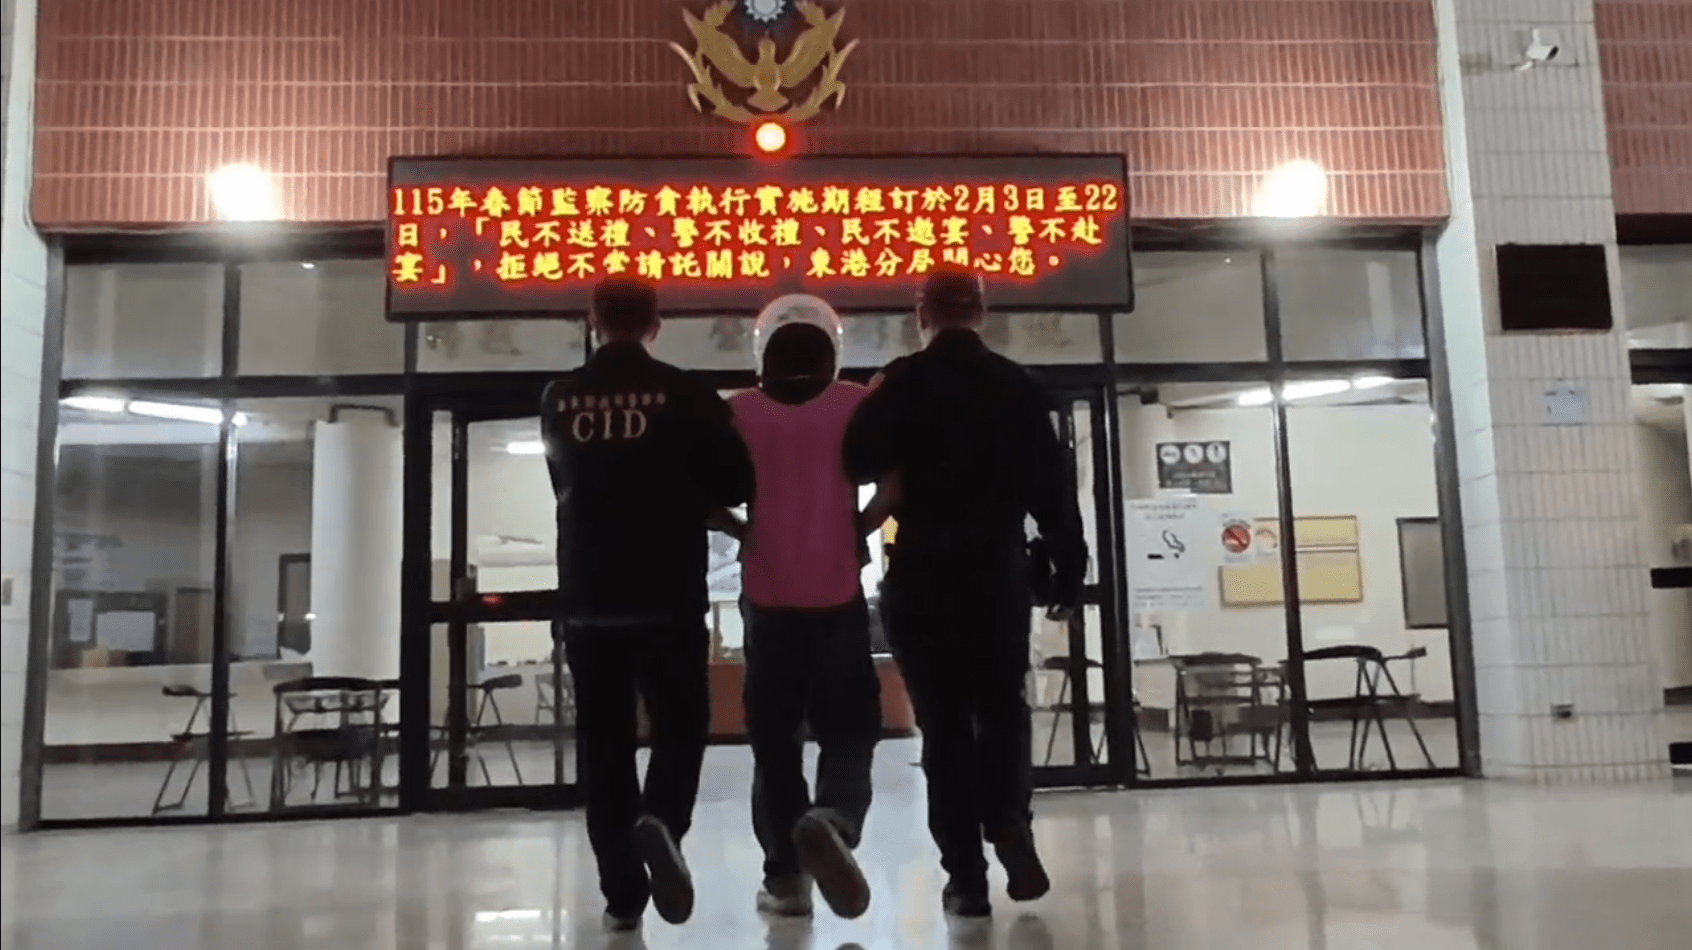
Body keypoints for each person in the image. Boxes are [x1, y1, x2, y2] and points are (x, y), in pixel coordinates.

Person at [842, 264, 1086, 919]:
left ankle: (966, 880)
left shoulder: (901, 383)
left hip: (922, 573)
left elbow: (855, 460)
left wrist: (881, 408)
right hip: (996, 573)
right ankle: (1010, 822)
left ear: (922, 314)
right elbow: (1052, 487)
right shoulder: (1016, 385)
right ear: (981, 312)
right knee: (1003, 710)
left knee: (944, 726)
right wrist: (1068, 564)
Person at [540, 277, 755, 933]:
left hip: (589, 601)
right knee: (681, 725)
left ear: (593, 321)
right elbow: (736, 482)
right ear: (656, 324)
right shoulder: (687, 394)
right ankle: (661, 821)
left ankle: (622, 898)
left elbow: (566, 483)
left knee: (604, 747)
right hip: (667, 596)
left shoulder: (558, 399)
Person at [712, 301, 897, 920]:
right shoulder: (855, 404)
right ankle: (835, 820)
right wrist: (859, 528)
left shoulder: (737, 412)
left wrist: (744, 532)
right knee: (850, 728)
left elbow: (703, 497)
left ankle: (786, 882)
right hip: (837, 597)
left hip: (768, 603)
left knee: (775, 744)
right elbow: (895, 481)